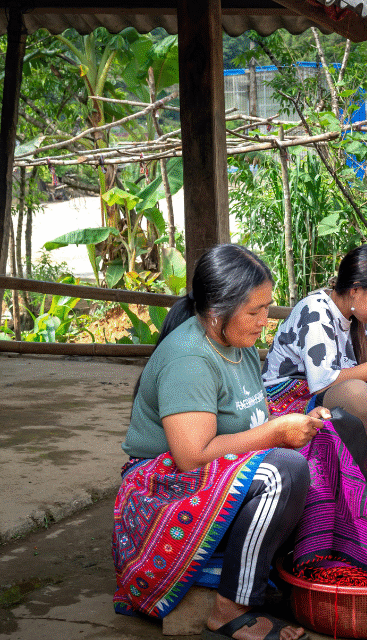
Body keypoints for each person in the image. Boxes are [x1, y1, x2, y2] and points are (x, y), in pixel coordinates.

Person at [114, 244, 322, 640]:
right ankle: (231, 609)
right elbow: (191, 457)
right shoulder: (189, 359)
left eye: (267, 308)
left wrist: (300, 426)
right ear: (216, 312)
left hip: (208, 476)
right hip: (166, 488)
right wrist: (277, 434)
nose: (265, 320)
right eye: (254, 311)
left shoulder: (236, 344)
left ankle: (277, 575)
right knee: (285, 472)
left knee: (323, 452)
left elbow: (248, 420)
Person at [263, 244, 367, 443]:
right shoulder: (315, 312)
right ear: (355, 289)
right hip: (289, 400)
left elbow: (366, 354)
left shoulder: (356, 317)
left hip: (318, 393)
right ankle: (353, 466)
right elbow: (323, 383)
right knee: (356, 394)